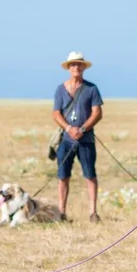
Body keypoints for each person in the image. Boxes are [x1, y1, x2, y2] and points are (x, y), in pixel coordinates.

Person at [52, 51, 103, 222]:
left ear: (83, 67)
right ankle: (61, 212)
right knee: (63, 176)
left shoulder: (91, 88)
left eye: (79, 64)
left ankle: (93, 212)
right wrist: (68, 128)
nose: (76, 67)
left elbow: (97, 113)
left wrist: (82, 128)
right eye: (73, 64)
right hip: (66, 140)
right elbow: (56, 113)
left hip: (86, 140)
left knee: (90, 175)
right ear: (68, 68)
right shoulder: (60, 89)